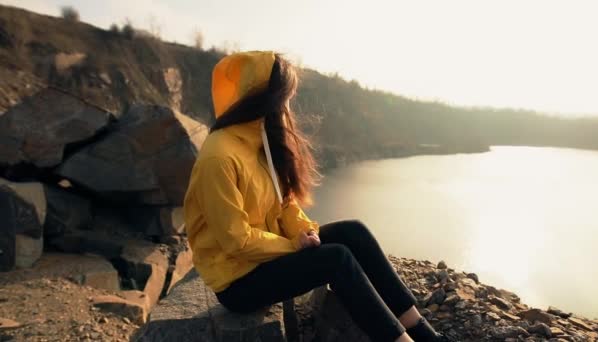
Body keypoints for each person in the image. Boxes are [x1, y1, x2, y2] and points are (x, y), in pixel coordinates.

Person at [183, 51, 454, 342]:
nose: (289, 104)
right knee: (336, 259)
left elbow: (285, 203)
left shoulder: (258, 141)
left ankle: (424, 333)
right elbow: (235, 241)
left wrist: (304, 231)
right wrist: (292, 246)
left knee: (354, 232)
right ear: (267, 97)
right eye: (287, 96)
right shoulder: (219, 156)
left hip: (264, 260)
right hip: (238, 282)